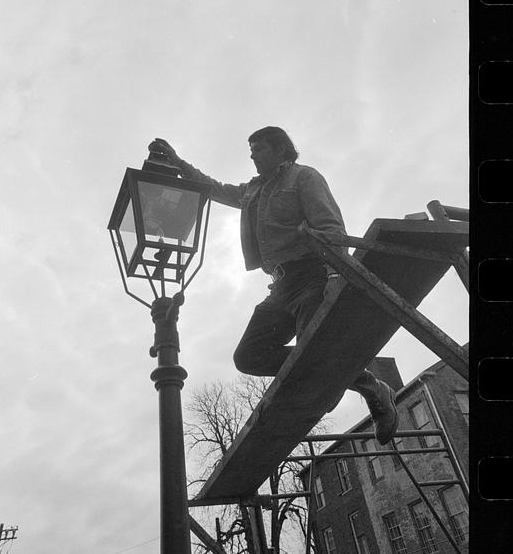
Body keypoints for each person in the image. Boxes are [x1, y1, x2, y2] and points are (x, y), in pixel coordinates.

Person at [148, 128, 398, 444]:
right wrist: (178, 162)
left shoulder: (304, 178)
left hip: (312, 276)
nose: (252, 155)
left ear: (281, 149)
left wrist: (336, 277)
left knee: (315, 355)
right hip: (280, 287)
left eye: (258, 148)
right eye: (250, 149)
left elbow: (330, 227)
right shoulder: (254, 191)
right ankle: (368, 383)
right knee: (249, 356)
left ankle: (350, 384)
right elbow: (214, 189)